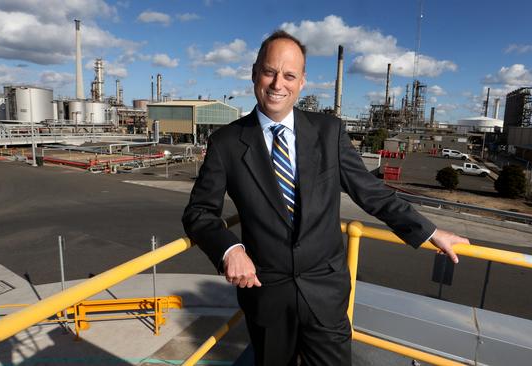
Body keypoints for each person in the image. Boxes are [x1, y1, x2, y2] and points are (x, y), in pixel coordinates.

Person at [182, 30, 469, 366]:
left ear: (302, 82)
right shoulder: (227, 142)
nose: (278, 84)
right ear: (254, 73)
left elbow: (369, 190)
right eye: (269, 72)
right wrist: (230, 249)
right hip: (268, 296)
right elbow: (199, 213)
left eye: (289, 75)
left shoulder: (328, 132)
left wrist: (430, 232)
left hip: (325, 294)